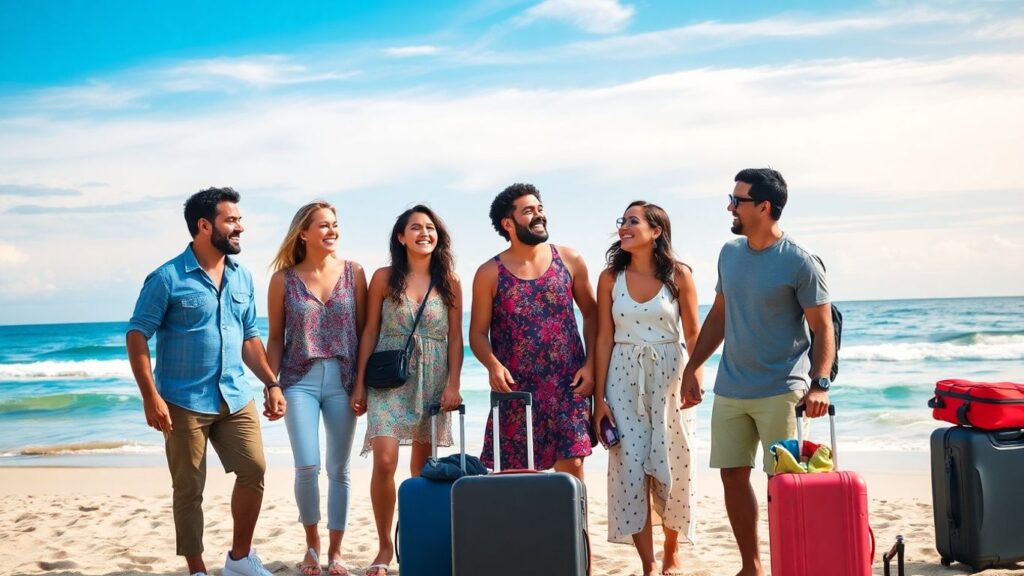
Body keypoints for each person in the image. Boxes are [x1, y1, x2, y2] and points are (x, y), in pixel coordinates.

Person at [680, 169, 835, 576]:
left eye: (737, 200)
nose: (730, 207)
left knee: (782, 481)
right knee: (732, 475)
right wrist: (693, 366)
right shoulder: (729, 253)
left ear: (764, 207)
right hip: (732, 387)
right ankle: (751, 566)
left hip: (782, 389)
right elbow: (719, 316)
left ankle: (790, 564)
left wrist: (819, 385)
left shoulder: (800, 261)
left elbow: (823, 329)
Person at [126, 187, 285, 576]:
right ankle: (197, 569)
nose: (240, 227)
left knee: (254, 469)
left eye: (239, 220)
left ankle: (239, 559)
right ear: (204, 225)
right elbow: (137, 335)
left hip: (235, 396)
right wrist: (150, 397)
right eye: (231, 220)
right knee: (189, 489)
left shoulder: (242, 276)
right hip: (183, 401)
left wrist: (271, 382)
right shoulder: (166, 278)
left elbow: (249, 337)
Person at [350, 205, 464, 576]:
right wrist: (359, 383)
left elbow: (455, 338)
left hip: (433, 377)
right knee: (384, 460)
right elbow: (369, 330)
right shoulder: (384, 277)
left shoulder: (450, 280)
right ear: (401, 237)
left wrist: (454, 384)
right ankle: (385, 546)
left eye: (430, 227)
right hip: (390, 377)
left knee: (422, 469)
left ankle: (414, 540)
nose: (424, 233)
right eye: (415, 227)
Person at [592, 201, 701, 576]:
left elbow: (693, 333)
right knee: (630, 469)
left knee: (673, 465)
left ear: (656, 231)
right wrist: (599, 400)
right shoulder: (610, 277)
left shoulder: (679, 275)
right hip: (623, 377)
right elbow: (603, 338)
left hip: (671, 376)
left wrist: (696, 377)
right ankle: (648, 564)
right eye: (622, 220)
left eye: (633, 221)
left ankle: (672, 550)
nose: (624, 226)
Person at [266, 201, 367, 576]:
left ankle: (336, 552)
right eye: (323, 225)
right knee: (307, 465)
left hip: (344, 381)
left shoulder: (355, 273)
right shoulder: (283, 280)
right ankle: (312, 546)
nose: (332, 231)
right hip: (298, 382)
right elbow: (275, 338)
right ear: (303, 233)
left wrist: (362, 384)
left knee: (339, 468)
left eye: (334, 224)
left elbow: (365, 333)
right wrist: (271, 384)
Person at [469, 183, 596, 477]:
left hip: (569, 384)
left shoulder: (570, 259)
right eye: (528, 211)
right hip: (516, 390)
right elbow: (477, 333)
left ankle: (575, 513)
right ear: (508, 223)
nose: (539, 215)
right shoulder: (489, 273)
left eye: (540, 208)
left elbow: (593, 315)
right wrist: (492, 365)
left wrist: (591, 366)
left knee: (572, 469)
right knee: (518, 477)